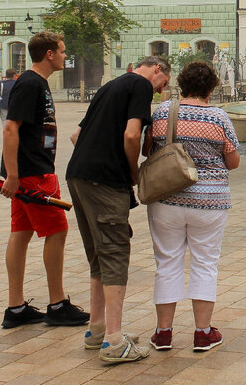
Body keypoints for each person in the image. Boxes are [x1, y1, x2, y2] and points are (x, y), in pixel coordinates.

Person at [67, 56, 172, 364]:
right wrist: (132, 173)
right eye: (163, 84)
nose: (159, 91)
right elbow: (131, 135)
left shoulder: (109, 86)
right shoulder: (139, 85)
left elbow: (76, 136)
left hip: (77, 175)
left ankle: (96, 329)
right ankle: (114, 342)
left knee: (99, 254)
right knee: (114, 253)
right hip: (105, 182)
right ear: (156, 69)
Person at [145, 61, 240, 353]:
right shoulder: (219, 117)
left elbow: (148, 150)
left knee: (167, 262)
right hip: (209, 203)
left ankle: (163, 333)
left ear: (182, 84)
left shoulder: (163, 112)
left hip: (167, 198)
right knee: (205, 263)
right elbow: (233, 162)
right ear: (211, 88)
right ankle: (202, 333)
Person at [0, 31, 90, 330]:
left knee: (22, 232)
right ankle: (57, 303)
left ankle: (16, 307)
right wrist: (13, 175)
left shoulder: (36, 83)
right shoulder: (31, 83)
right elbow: (11, 128)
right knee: (58, 230)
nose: (65, 56)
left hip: (31, 170)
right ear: (49, 54)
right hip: (32, 173)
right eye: (62, 51)